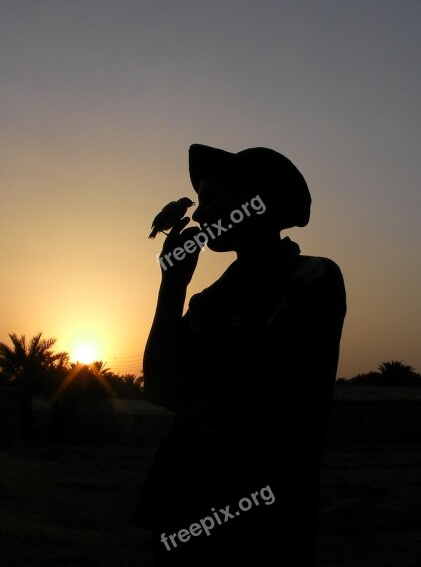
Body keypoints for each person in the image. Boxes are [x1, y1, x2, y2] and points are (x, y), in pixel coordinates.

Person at [133, 144, 346, 566]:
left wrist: (203, 381)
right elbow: (160, 387)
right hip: (181, 516)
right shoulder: (205, 302)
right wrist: (171, 286)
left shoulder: (314, 278)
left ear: (254, 200)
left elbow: (274, 385)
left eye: (211, 197)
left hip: (264, 528)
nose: (198, 214)